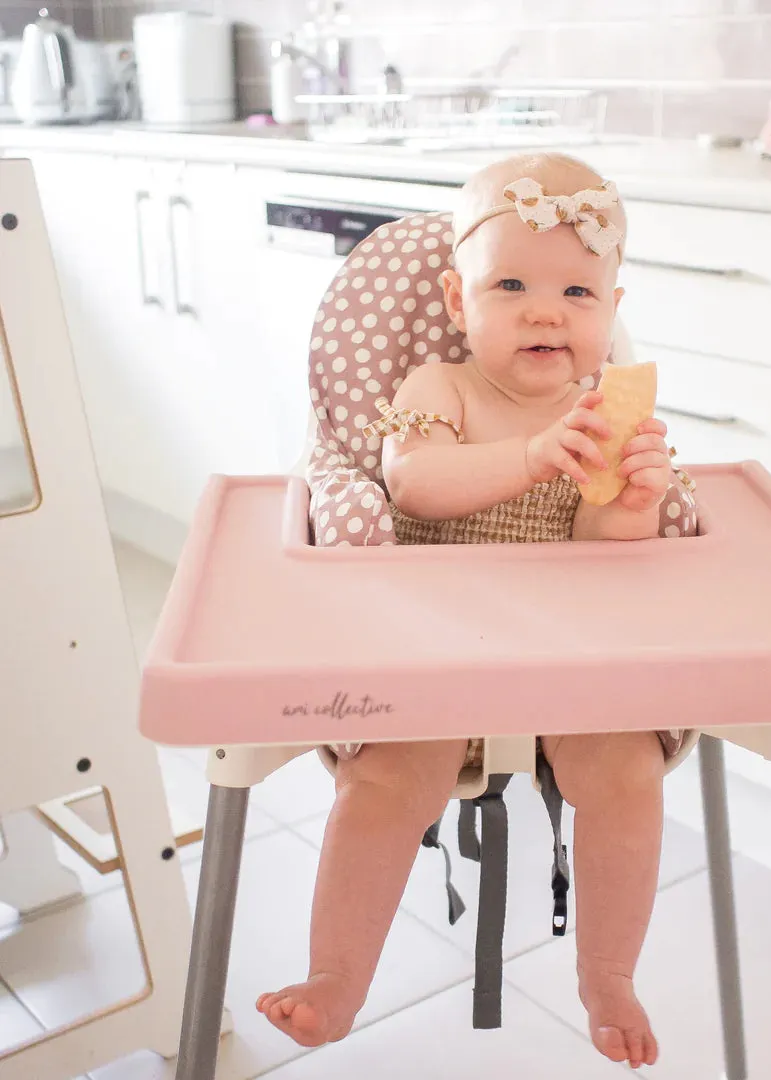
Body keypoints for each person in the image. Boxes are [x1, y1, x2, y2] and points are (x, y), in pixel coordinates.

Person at [258, 152, 693, 1070]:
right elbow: (412, 485)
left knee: (626, 779)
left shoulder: (602, 412)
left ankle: (607, 972)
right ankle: (338, 974)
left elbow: (602, 551)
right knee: (378, 785)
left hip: (564, 666)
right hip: (437, 665)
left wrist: (635, 500)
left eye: (579, 289)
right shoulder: (440, 390)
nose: (547, 310)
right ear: (459, 304)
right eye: (512, 285)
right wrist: (536, 455)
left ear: (612, 310)